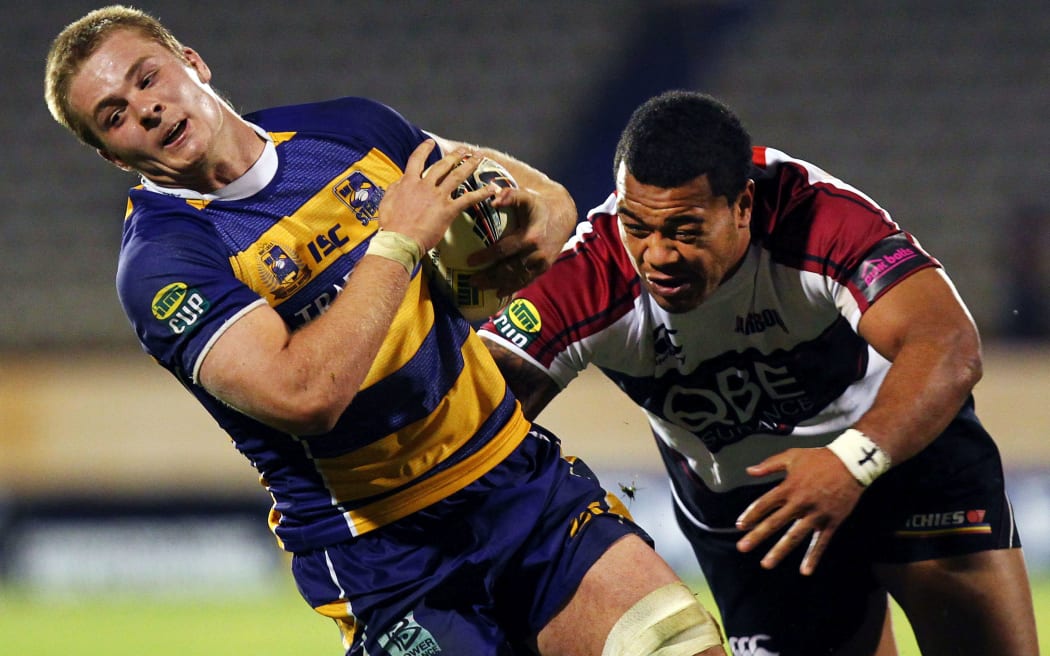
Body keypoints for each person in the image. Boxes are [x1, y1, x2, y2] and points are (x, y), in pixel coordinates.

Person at [44, 9, 727, 656]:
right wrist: (398, 242)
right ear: (112, 154)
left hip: (515, 482)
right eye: (116, 116)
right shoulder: (164, 263)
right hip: (385, 553)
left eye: (147, 77)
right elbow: (304, 394)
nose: (147, 108)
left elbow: (548, 206)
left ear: (192, 63)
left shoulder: (347, 129)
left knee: (677, 642)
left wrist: (516, 231)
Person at [480, 90, 1041, 655]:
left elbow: (948, 344)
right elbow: (464, 416)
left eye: (685, 229)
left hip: (903, 458)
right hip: (751, 509)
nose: (658, 255)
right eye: (637, 226)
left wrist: (850, 462)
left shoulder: (817, 216)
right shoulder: (589, 275)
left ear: (743, 206)